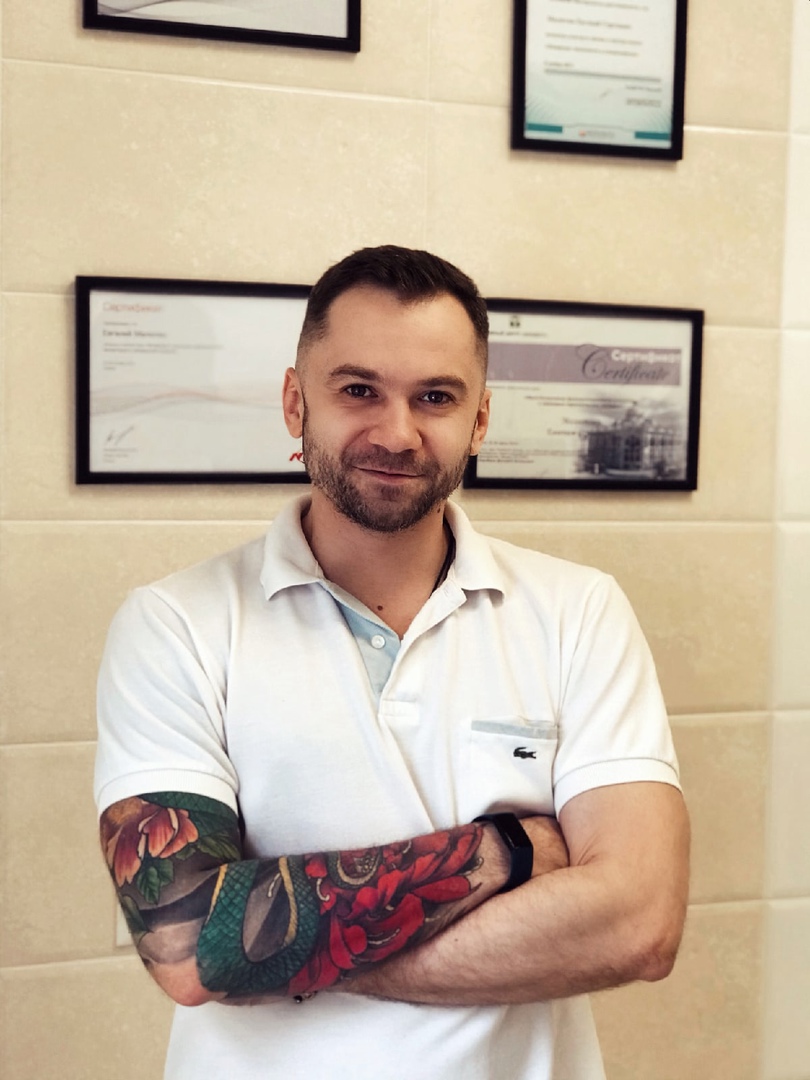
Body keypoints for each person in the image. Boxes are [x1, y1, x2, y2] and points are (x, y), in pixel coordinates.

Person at [94, 245, 690, 1080]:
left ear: (480, 419)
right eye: (358, 390)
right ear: (296, 401)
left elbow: (639, 924)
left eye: (435, 397)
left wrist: (278, 953)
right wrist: (511, 853)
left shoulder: (578, 610)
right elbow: (189, 942)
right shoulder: (176, 624)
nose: (397, 432)